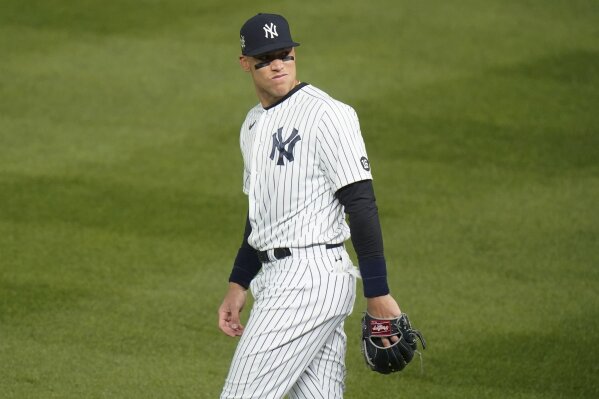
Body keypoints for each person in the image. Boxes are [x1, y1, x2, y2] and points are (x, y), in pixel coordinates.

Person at [218, 13, 404, 399]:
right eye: (265, 58)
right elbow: (260, 214)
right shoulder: (252, 124)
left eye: (285, 54)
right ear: (244, 64)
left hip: (308, 278)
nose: (277, 65)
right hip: (277, 279)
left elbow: (361, 203)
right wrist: (239, 282)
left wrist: (378, 290)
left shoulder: (328, 114)